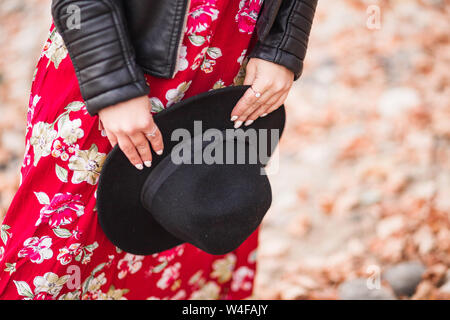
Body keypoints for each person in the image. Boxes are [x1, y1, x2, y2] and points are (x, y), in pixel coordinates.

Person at [0, 0, 317, 299]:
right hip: (116, 51)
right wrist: (112, 84)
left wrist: (283, 43)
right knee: (58, 252)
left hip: (234, 52)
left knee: (196, 222)